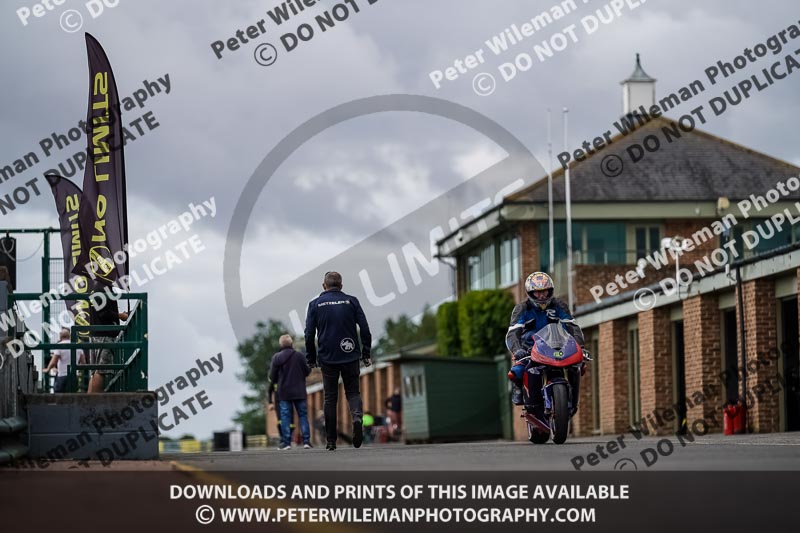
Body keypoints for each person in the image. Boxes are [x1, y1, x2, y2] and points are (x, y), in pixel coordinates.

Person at [304, 271, 372, 451]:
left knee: (330, 398)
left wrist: (311, 358)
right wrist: (366, 353)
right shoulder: (352, 301)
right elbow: (365, 328)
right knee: (353, 392)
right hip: (350, 353)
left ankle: (331, 441)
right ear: (341, 286)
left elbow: (309, 334)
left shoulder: (315, 304)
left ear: (323, 286)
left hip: (328, 357)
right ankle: (357, 418)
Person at [506, 272, 586, 406]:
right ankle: (518, 388)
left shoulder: (559, 305)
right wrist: (517, 349)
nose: (542, 295)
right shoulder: (522, 309)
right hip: (530, 349)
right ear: (530, 293)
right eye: (537, 292)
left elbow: (573, 326)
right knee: (517, 371)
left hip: (557, 346)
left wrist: (579, 346)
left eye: (544, 291)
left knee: (578, 365)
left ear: (550, 290)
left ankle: (571, 396)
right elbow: (513, 333)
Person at [269, 334, 312, 450]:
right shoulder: (299, 356)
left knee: (285, 417)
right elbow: (307, 371)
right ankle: (306, 441)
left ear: (280, 345)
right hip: (299, 391)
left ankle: (286, 443)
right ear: (291, 344)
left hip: (284, 393)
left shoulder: (276, 358)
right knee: (303, 415)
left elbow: (272, 377)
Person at [87, 290, 128, 394]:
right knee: (101, 371)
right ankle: (96, 400)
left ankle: (89, 399)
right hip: (104, 335)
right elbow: (104, 313)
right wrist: (120, 316)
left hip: (96, 334)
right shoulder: (103, 290)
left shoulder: (96, 289)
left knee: (96, 371)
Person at [42, 328, 85, 393]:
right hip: (74, 376)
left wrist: (48, 369)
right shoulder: (78, 346)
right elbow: (83, 363)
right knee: (72, 396)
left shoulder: (59, 345)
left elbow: (53, 361)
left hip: (62, 376)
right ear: (69, 336)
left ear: (60, 336)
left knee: (59, 396)